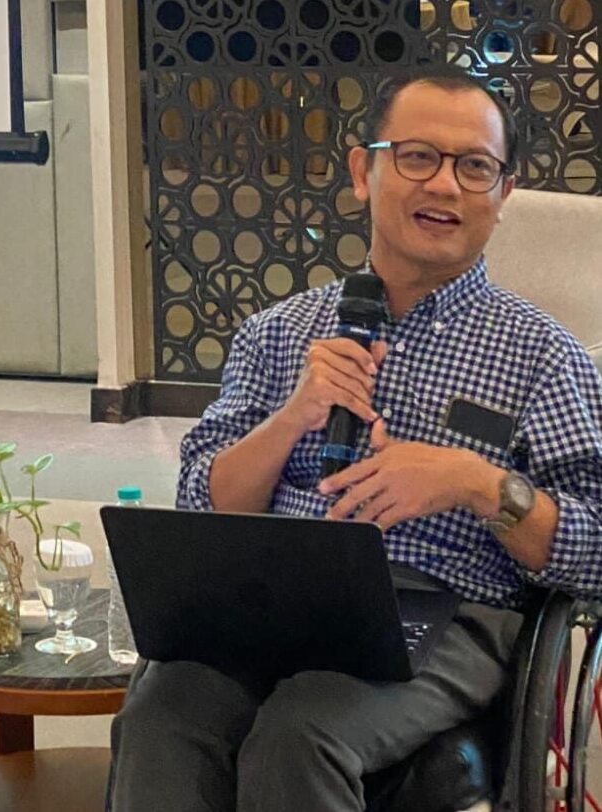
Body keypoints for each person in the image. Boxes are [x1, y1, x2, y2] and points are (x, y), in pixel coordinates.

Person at [108, 64, 602, 811]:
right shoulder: (279, 335)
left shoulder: (544, 357)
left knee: (301, 733)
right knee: (163, 715)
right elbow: (200, 501)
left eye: (474, 167)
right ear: (362, 172)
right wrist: (295, 416)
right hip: (273, 599)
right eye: (416, 156)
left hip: (445, 610)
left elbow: (595, 546)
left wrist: (477, 484)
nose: (443, 186)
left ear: (503, 195)